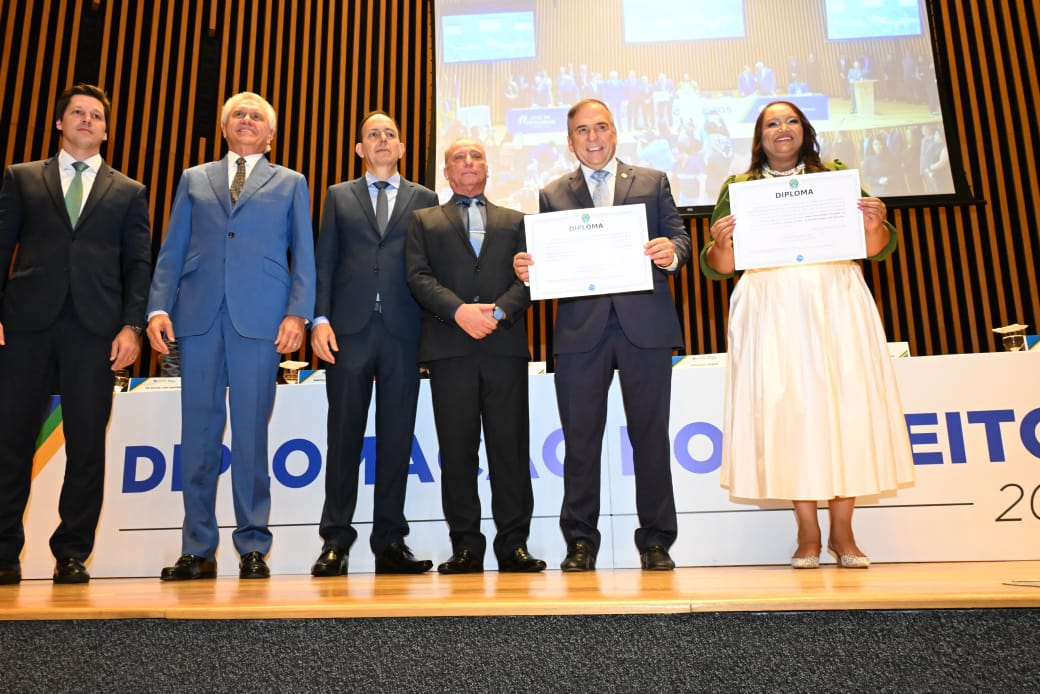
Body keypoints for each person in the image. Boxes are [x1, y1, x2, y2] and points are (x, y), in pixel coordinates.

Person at [700, 101, 914, 570]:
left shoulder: (837, 176)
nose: (782, 128)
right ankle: (807, 530)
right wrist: (719, 244)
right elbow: (718, 268)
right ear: (759, 137)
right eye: (772, 122)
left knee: (846, 407)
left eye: (791, 120)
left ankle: (843, 530)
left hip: (835, 300)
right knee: (790, 412)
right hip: (770, 307)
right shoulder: (739, 188)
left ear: (805, 130)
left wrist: (874, 225)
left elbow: (878, 250)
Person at [513, 98, 691, 572]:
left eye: (601, 128)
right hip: (580, 334)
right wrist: (528, 266)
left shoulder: (653, 182)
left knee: (650, 438)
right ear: (570, 141)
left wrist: (669, 252)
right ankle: (580, 542)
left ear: (615, 133)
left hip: (645, 328)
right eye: (583, 131)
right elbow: (546, 260)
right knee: (581, 441)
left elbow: (681, 238)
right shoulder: (552, 194)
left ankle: (656, 541)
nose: (593, 138)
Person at [147, 91, 316, 581]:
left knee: (249, 435)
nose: (247, 120)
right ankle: (197, 548)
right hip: (196, 319)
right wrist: (158, 306)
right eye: (239, 115)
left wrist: (298, 314)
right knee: (197, 437)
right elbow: (172, 248)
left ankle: (253, 546)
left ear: (271, 133)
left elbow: (302, 255)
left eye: (257, 116)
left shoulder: (291, 183)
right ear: (224, 128)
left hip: (261, 321)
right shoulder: (193, 179)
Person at [0, 84, 152, 585]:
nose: (87, 121)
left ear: (107, 130)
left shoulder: (129, 191)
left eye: (96, 116)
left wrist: (132, 325)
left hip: (96, 331)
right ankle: (3, 552)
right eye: (78, 113)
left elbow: (138, 265)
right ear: (60, 123)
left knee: (87, 445)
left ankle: (71, 553)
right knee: (10, 440)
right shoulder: (21, 179)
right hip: (25, 327)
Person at [406, 138, 545, 574]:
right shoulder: (423, 220)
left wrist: (501, 312)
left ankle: (513, 546)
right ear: (446, 174)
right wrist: (460, 312)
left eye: (476, 157)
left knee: (509, 449)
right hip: (450, 349)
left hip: (504, 347)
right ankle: (466, 546)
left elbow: (533, 276)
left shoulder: (517, 220)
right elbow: (417, 276)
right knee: (458, 452)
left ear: (487, 169)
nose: (468, 162)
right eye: (458, 158)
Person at [309, 111, 438, 576]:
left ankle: (389, 542)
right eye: (372, 134)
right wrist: (318, 319)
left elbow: (431, 271)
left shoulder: (425, 199)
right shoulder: (338, 196)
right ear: (360, 149)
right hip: (347, 332)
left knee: (397, 439)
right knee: (343, 436)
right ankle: (335, 542)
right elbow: (324, 261)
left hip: (405, 333)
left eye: (390, 134)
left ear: (402, 149)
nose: (382, 140)